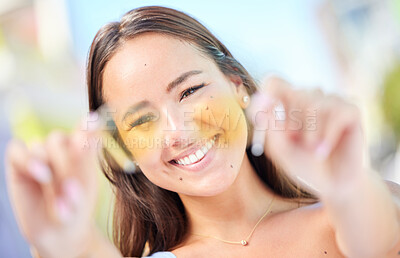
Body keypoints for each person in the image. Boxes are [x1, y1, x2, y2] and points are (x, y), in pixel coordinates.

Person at [5, 6, 400, 258]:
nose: (177, 131)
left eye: (191, 91)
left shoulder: (362, 208)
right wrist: (67, 247)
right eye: (141, 121)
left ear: (236, 85)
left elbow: (378, 242)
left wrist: (347, 184)